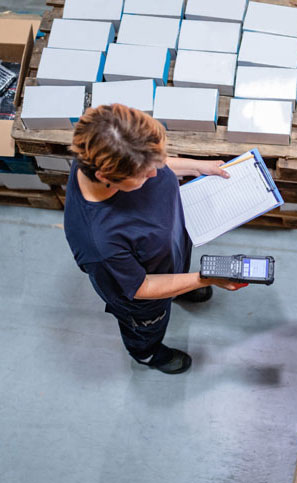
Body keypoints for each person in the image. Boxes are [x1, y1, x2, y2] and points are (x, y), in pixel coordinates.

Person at [64, 104, 247, 375]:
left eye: (158, 161)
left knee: (177, 272)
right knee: (146, 328)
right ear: (106, 177)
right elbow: (142, 286)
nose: (158, 172)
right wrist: (207, 277)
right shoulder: (100, 242)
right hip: (145, 299)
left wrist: (197, 167)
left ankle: (179, 287)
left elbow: (155, 162)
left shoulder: (111, 149)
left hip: (167, 252)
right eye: (145, 173)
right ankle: (147, 354)